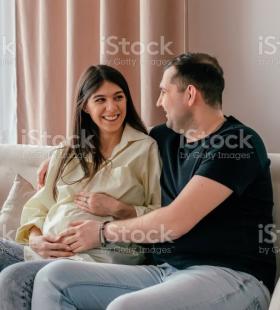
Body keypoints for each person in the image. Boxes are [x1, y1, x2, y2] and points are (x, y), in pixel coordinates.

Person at [30, 52, 275, 310]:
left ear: (190, 95)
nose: (159, 102)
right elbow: (114, 142)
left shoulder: (237, 144)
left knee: (126, 308)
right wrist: (61, 155)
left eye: (163, 92)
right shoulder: (164, 138)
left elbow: (174, 222)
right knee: (53, 278)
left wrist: (102, 233)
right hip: (164, 271)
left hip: (231, 275)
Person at [0, 65, 161, 309]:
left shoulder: (145, 148)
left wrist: (119, 208)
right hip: (46, 251)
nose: (112, 108)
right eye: (101, 100)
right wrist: (36, 239)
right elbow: (39, 208)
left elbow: (162, 216)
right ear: (85, 106)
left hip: (101, 258)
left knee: (13, 278)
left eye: (119, 97)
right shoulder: (68, 151)